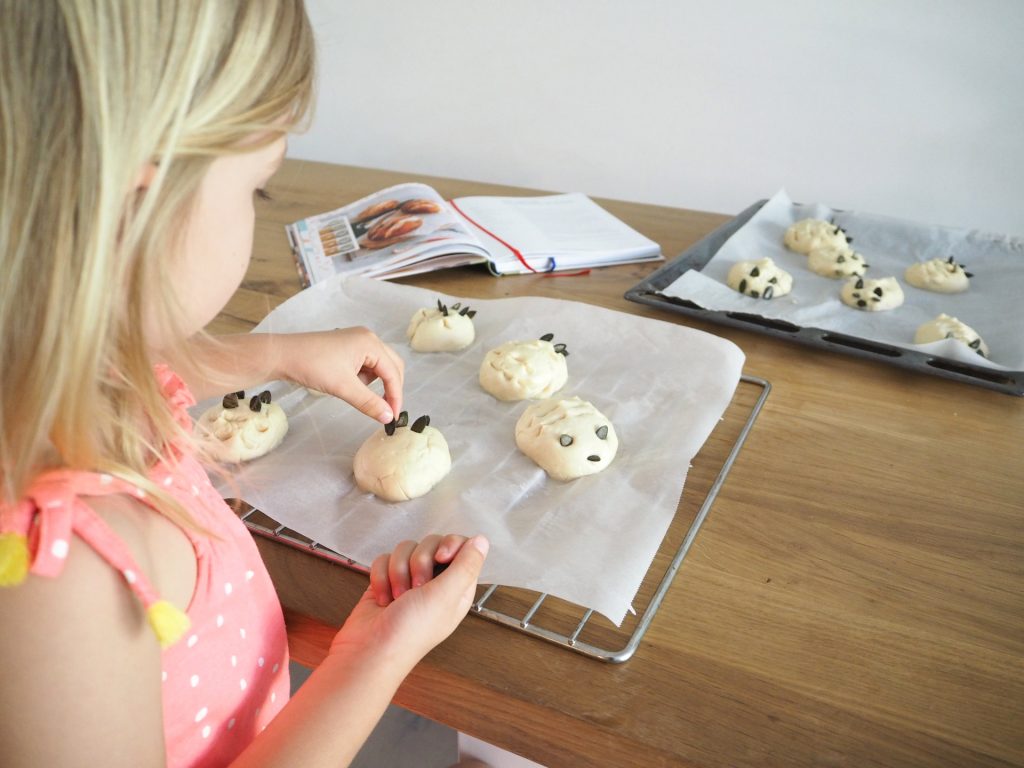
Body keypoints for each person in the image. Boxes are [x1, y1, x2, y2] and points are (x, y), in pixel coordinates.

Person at [0, 2, 489, 766]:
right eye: (257, 190)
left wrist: (271, 356)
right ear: (138, 205)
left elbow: (113, 355)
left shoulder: (40, 369)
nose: (257, 211)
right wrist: (372, 655)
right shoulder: (63, 575)